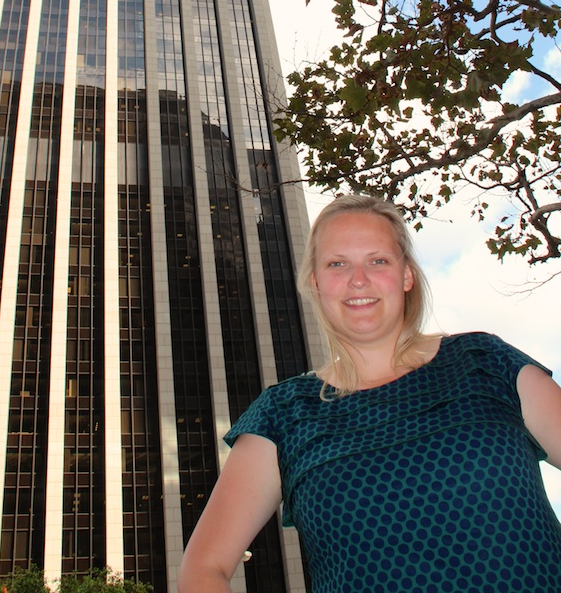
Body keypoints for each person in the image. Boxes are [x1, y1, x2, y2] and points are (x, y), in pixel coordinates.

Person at [177, 194, 561, 593]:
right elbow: (203, 568)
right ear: (316, 283)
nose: (358, 279)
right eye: (337, 264)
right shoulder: (283, 415)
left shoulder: (486, 361)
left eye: (378, 261)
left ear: (406, 275)